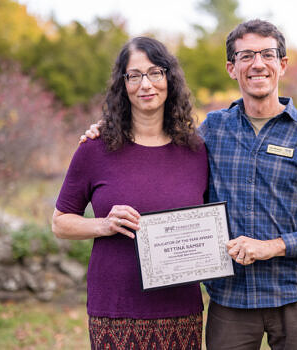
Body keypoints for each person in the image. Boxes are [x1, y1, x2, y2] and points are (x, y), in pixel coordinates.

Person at [82, 19, 297, 350]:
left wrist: (272, 246)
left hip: (294, 298)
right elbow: (156, 137)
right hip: (230, 302)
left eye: (267, 54)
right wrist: (107, 128)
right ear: (231, 67)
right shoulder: (211, 131)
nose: (257, 64)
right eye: (246, 56)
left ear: (282, 64)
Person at [53, 36, 208, 350]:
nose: (145, 84)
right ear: (123, 85)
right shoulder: (95, 148)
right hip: (115, 309)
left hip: (180, 310)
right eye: (134, 75)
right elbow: (60, 222)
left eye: (154, 73)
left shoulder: (196, 150)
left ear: (169, 78)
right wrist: (103, 225)